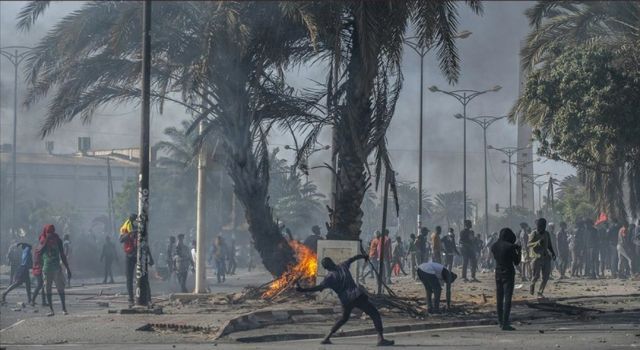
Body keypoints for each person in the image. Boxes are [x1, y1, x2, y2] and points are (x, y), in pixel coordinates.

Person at [295, 254, 394, 346]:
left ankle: (327, 337)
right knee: (374, 313)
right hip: (357, 296)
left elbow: (317, 288)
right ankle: (380, 339)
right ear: (333, 262)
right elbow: (352, 259)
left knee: (343, 318)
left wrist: (302, 290)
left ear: (325, 268)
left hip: (345, 301)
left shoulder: (329, 278)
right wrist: (363, 256)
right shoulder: (343, 266)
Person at [491, 228, 521, 331]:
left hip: (498, 272)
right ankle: (505, 323)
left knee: (499, 298)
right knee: (507, 299)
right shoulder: (510, 247)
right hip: (508, 273)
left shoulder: (494, 246)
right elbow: (517, 262)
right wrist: (519, 251)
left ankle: (500, 321)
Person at [38, 224, 71, 316]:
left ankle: (64, 309)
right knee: (48, 290)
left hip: (57, 269)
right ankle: (51, 310)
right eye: (49, 233)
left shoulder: (58, 241)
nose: (51, 234)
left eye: (52, 232)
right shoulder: (42, 241)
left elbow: (62, 255)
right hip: (47, 269)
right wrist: (46, 241)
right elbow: (39, 253)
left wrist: (68, 268)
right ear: (46, 232)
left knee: (60, 289)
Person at [529, 218, 556, 297]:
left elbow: (549, 245)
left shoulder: (547, 234)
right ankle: (532, 284)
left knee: (546, 276)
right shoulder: (534, 233)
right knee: (536, 276)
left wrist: (553, 253)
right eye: (540, 226)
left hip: (546, 257)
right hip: (536, 257)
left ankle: (540, 292)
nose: (541, 228)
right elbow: (529, 244)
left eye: (543, 226)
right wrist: (537, 243)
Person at [119, 213, 138, 307]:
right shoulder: (126, 227)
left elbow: (144, 243)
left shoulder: (139, 228)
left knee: (143, 277)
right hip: (129, 254)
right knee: (129, 278)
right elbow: (121, 239)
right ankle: (131, 298)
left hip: (139, 255)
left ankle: (146, 297)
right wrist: (130, 233)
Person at [31, 233, 48, 307]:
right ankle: (32, 301)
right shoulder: (40, 248)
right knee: (40, 285)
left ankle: (43, 302)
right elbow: (40, 260)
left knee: (42, 285)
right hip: (38, 269)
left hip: (39, 268)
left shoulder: (39, 247)